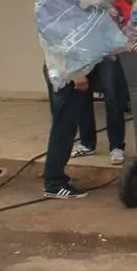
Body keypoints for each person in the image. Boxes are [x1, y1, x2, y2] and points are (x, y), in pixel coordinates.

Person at [72, 55, 128, 165]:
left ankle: (116, 147)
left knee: (113, 97)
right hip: (84, 51)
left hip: (107, 50)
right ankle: (87, 143)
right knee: (82, 95)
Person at [43, 66, 89, 199]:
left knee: (65, 127)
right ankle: (54, 183)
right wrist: (77, 74)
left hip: (63, 73)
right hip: (66, 74)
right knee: (63, 128)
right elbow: (61, 47)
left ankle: (56, 178)